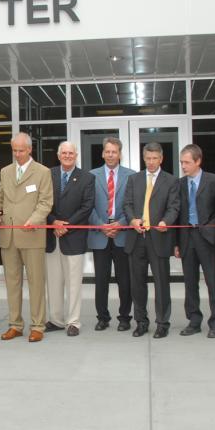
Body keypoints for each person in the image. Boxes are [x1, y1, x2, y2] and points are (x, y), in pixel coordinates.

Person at [0, 132, 54, 343]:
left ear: (30, 149)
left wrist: (34, 220)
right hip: (8, 234)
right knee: (12, 283)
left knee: (36, 283)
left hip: (32, 234)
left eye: (21, 150)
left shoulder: (42, 172)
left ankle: (37, 325)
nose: (17, 154)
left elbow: (45, 202)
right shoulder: (5, 171)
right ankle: (15, 325)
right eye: (14, 150)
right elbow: (0, 196)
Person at [123, 142, 179, 338]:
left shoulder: (171, 181)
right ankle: (141, 321)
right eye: (148, 158)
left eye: (155, 158)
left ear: (161, 159)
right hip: (136, 239)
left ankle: (162, 323)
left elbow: (174, 207)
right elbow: (127, 204)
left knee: (161, 283)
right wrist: (132, 220)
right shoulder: (134, 179)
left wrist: (166, 221)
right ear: (143, 158)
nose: (151, 162)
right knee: (137, 284)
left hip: (159, 239)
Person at [45, 141, 94, 336]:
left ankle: (73, 322)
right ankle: (56, 319)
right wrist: (54, 222)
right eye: (64, 153)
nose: (67, 156)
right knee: (53, 281)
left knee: (74, 283)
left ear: (76, 155)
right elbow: (42, 202)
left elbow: (87, 206)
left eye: (70, 153)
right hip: (51, 236)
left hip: (74, 237)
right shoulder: (48, 175)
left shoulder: (86, 178)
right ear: (58, 156)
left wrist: (66, 225)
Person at [175, 145, 215, 338]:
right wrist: (176, 243)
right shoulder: (179, 184)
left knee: (212, 281)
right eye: (181, 163)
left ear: (198, 161)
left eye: (187, 162)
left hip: (207, 238)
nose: (183, 166)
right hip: (187, 238)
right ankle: (194, 320)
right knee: (190, 282)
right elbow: (177, 215)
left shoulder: (214, 181)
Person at [88, 137, 135, 332]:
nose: (110, 155)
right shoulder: (91, 176)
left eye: (114, 152)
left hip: (122, 234)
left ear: (120, 154)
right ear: (102, 153)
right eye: (107, 151)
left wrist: (121, 224)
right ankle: (103, 317)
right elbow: (87, 206)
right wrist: (101, 225)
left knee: (125, 280)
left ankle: (125, 317)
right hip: (100, 235)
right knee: (101, 280)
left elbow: (133, 204)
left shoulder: (131, 176)